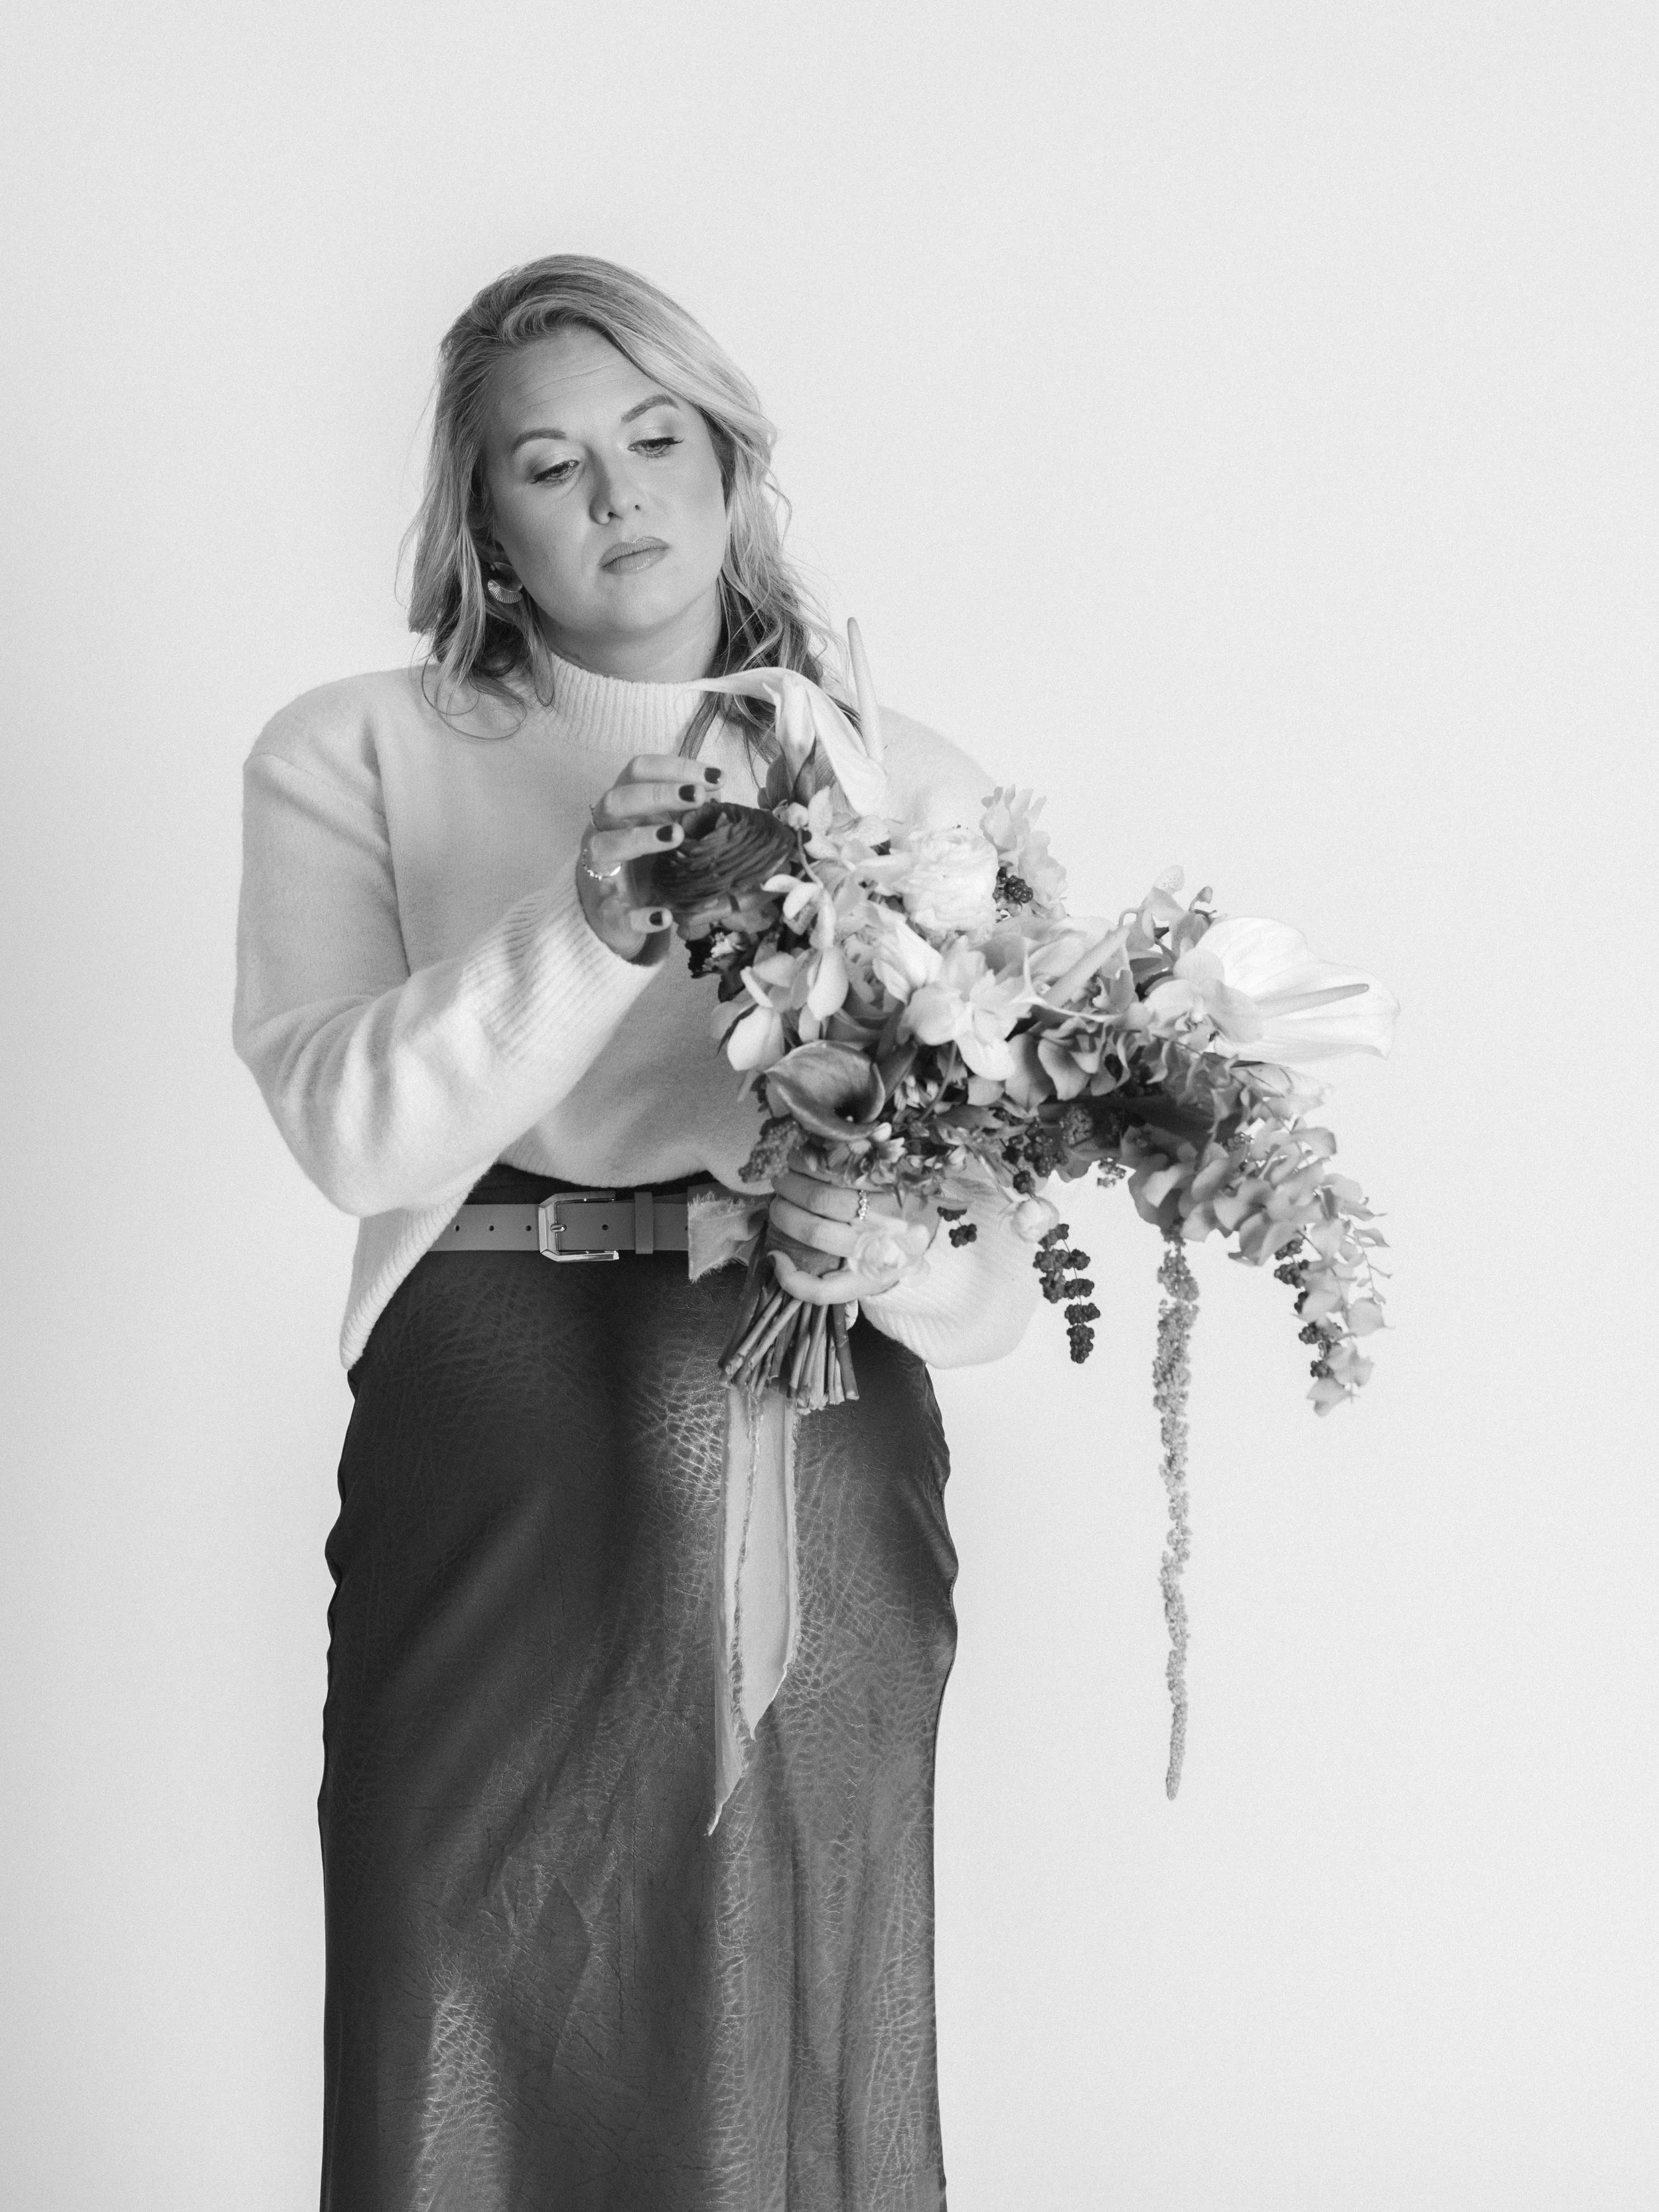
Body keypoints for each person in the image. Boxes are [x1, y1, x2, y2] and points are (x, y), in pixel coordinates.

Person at [234, 253, 1039, 2212]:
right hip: (491, 1421)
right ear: (480, 517)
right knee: (454, 1974)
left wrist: (880, 1239)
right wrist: (589, 923)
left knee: (795, 1987)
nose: (619, 495)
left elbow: (994, 1271)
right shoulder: (353, 748)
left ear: (730, 458)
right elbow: (352, 1131)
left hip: (808, 1430)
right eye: (550, 461)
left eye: (656, 436)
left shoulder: (908, 781)